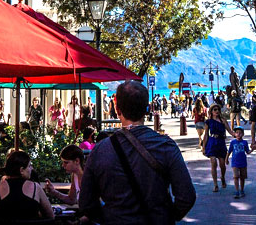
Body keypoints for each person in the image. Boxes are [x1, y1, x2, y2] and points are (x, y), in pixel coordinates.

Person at [79, 81, 196, 224]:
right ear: (147, 109)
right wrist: (165, 216)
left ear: (117, 109)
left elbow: (86, 203)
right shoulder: (166, 146)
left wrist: (110, 217)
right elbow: (187, 196)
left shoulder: (100, 151)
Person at [0, 149, 52, 223]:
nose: (31, 169)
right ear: (21, 170)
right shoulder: (36, 188)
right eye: (29, 166)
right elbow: (50, 216)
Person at [200, 104, 234, 192]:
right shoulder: (208, 121)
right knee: (213, 162)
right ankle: (215, 184)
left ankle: (222, 177)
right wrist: (203, 147)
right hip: (212, 142)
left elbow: (229, 130)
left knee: (222, 164)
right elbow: (206, 135)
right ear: (211, 111)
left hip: (221, 142)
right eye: (215, 110)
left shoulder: (223, 120)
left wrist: (236, 134)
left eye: (218, 109)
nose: (217, 111)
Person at [226, 126, 251, 199]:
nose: (238, 134)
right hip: (235, 162)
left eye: (240, 133)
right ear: (234, 134)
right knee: (235, 176)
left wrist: (252, 149)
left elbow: (248, 151)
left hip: (243, 162)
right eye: (237, 133)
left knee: (242, 177)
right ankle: (237, 191)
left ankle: (242, 190)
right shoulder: (233, 142)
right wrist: (226, 159)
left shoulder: (245, 142)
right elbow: (229, 151)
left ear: (243, 134)